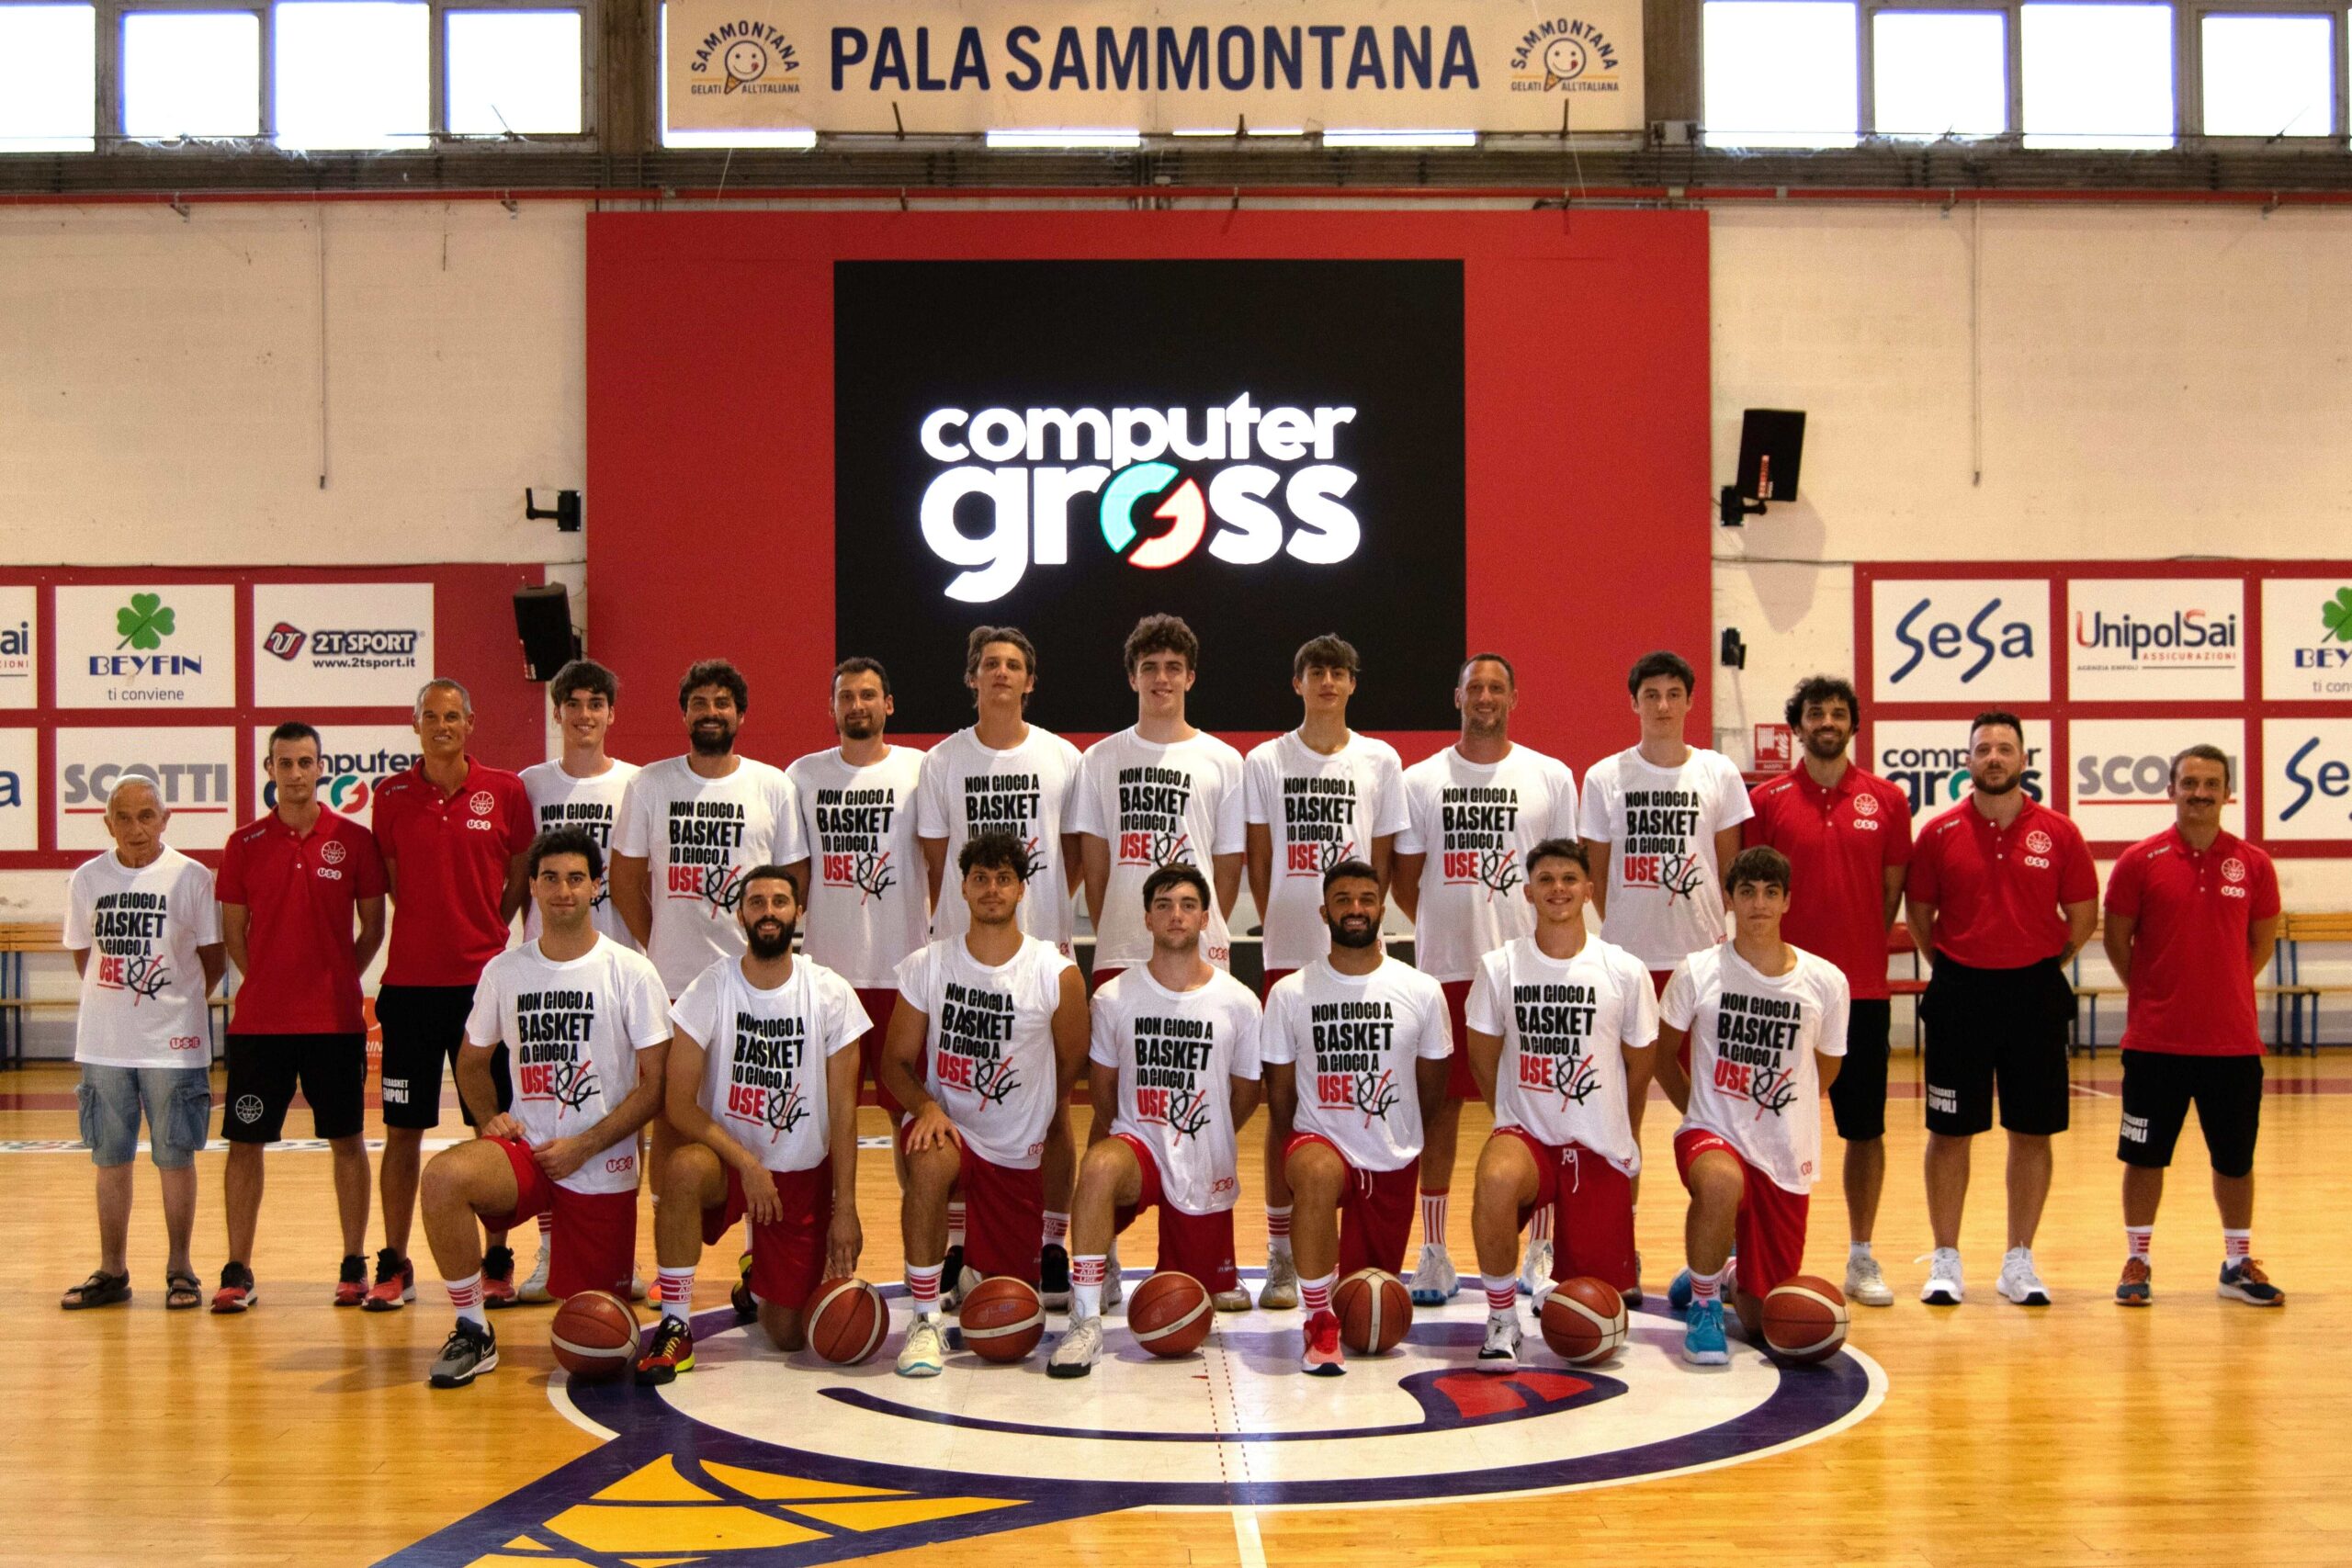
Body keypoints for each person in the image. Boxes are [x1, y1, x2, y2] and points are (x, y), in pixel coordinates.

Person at [417, 828, 672, 1387]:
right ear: (531, 886)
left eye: (576, 879)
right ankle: (472, 1329)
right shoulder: (505, 971)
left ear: (596, 887)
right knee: (441, 1179)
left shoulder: (631, 970)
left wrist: (586, 1144)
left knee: (598, 1337)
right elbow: (471, 1062)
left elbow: (656, 1087)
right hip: (526, 1154)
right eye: (551, 879)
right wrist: (489, 1118)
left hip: (599, 1162)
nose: (563, 891)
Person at [635, 866, 869, 1382]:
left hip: (799, 1173)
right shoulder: (711, 988)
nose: (768, 912)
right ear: (740, 915)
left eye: (780, 902)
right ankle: (675, 1323)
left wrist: (845, 1209)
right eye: (757, 902)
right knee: (682, 1169)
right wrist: (746, 1163)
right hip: (729, 1162)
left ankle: (758, 1275)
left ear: (798, 913)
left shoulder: (830, 993)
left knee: (787, 1335)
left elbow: (844, 1113)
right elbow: (678, 1104)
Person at [1393, 652, 1577, 1307]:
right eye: (1476, 687)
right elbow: (1406, 881)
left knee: (1539, 1107)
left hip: (1528, 971)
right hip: (1445, 970)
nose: (1486, 697)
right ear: (1458, 696)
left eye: (1497, 687)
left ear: (1514, 697)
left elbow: (1563, 874)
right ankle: (1434, 1251)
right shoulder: (1420, 780)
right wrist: (1449, 925)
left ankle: (1540, 1248)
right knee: (1438, 1112)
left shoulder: (1550, 776)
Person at [913, 627, 1084, 1305]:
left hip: (1040, 953)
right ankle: (958, 1243)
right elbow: (940, 860)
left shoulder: (1062, 757)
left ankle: (1052, 1241)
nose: (1002, 673)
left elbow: (1072, 856)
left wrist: (1033, 914)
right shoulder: (943, 760)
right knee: (957, 1101)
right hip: (965, 958)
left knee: (1054, 1108)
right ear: (973, 677)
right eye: (990, 664)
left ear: (1030, 680)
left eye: (1014, 665)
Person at [1577, 649, 1751, 1303]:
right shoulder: (1605, 776)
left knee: (1714, 1107)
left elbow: (1731, 871)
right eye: (1650, 694)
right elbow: (1596, 875)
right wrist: (1630, 935)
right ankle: (1619, 1248)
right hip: (1626, 966)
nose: (1662, 704)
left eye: (1673, 693)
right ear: (1634, 702)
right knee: (1618, 1116)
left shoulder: (1718, 772)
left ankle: (1722, 1251)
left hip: (1700, 965)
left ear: (1689, 701)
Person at [1905, 711, 2096, 1308]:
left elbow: (2083, 916)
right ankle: (1946, 1259)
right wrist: (1958, 962)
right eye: (1983, 748)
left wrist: (2037, 961)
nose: (1994, 757)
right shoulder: (1938, 833)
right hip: (1960, 993)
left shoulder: (2060, 832)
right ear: (1968, 761)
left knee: (2032, 1131)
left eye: (2004, 748)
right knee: (1949, 1132)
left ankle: (2019, 1260)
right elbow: (1920, 916)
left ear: (2023, 759)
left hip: (2034, 994)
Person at [879, 831, 1087, 1378]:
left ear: (1021, 890)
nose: (991, 889)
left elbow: (1072, 1061)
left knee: (1007, 1308)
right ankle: (924, 1318)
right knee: (927, 1158)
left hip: (1016, 1151)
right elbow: (894, 1063)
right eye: (980, 879)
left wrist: (1036, 1106)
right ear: (963, 889)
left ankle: (976, 1268)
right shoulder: (928, 965)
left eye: (1003, 879)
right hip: (951, 1129)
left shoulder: (1055, 972)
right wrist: (927, 1107)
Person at [1049, 865, 1263, 1377]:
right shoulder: (1113, 997)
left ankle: (1198, 1261)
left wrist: (1200, 1133)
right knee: (1099, 1166)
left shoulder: (1239, 1001)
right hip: (1138, 1145)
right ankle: (1086, 1317)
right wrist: (1134, 1131)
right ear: (1147, 918)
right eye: (1163, 905)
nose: (1176, 915)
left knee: (1190, 1302)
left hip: (1203, 1154)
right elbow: (1103, 1091)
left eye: (1188, 905)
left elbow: (1245, 1095)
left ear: (1206, 919)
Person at [1245, 635, 1408, 1311]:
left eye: (1339, 672)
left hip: (1359, 952)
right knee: (1282, 1107)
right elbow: (1259, 858)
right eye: (1316, 672)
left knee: (1359, 1088)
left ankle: (1360, 1233)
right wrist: (1282, 922)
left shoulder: (1380, 759)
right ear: (1299, 683)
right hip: (1289, 951)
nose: (1328, 682)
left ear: (1352, 683)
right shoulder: (1265, 760)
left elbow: (1381, 862)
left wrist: (1361, 920)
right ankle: (1281, 1252)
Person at [1741, 675, 1913, 1308]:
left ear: (1852, 724)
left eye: (1838, 713)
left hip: (1860, 992)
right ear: (1798, 725)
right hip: (1778, 993)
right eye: (1816, 713)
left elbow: (1889, 893)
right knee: (1758, 1128)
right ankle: (1747, 1256)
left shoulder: (1888, 799)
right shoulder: (1766, 799)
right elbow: (1753, 896)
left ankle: (1861, 1253)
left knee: (1863, 1130)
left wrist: (1850, 949)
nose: (1827, 722)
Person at [366, 679, 534, 1312]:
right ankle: (393, 1261)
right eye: (431, 716)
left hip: (480, 987)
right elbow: (393, 879)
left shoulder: (506, 790)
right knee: (401, 1131)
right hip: (410, 988)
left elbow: (519, 872)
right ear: (416, 725)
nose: (442, 725)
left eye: (453, 715)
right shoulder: (390, 796)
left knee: (491, 1128)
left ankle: (497, 1259)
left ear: (470, 723)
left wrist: (489, 926)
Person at [213, 723, 389, 1312]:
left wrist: (336, 976)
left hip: (334, 1025)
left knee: (347, 1140)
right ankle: (237, 1268)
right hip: (260, 1027)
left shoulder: (354, 840)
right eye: (284, 763)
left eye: (304, 762)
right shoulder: (242, 844)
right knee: (245, 1145)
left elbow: (373, 929)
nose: (294, 773)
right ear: (269, 769)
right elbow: (234, 934)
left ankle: (353, 1262)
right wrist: (268, 978)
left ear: (321, 768)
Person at [2101, 745, 2283, 1308]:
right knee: (2144, 1158)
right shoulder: (2140, 860)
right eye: (2190, 783)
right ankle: (2138, 1259)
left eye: (2211, 784)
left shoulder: (2253, 864)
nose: (2200, 793)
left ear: (2228, 792)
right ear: (2171, 789)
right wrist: (2156, 993)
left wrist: (2221, 989)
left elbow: (2260, 944)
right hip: (2155, 1043)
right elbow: (2117, 940)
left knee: (2235, 1160)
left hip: (2232, 1044)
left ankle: (2236, 1263)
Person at [1463, 840, 1656, 1371]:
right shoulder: (1501, 965)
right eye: (1545, 880)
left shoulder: (1624, 969)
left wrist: (1617, 1130)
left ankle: (1555, 1285)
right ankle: (1502, 1319)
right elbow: (1482, 1057)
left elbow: (1639, 1067)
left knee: (1596, 1318)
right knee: (1496, 1177)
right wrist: (1513, 1116)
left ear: (1589, 890)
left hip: (1595, 1145)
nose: (1558, 889)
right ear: (1527, 892)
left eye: (1569, 879)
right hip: (1527, 1137)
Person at [1654, 847, 1849, 1367]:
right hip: (1711, 1133)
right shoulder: (1698, 971)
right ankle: (1703, 1307)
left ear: (1787, 901)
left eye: (1770, 892)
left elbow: (1825, 1070)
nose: (1758, 903)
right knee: (1720, 1182)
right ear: (1730, 900)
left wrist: (1780, 1105)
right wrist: (1697, 1110)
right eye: (1747, 892)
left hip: (1784, 1150)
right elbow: (1661, 1055)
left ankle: (1722, 1272)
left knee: (1766, 1320)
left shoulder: (1826, 981)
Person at [1260, 861, 1451, 1374]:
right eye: (1342, 899)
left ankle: (1337, 1311)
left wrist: (1400, 1128)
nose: (1355, 909)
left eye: (1366, 899)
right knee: (1316, 1173)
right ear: (1324, 912)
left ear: (1381, 910)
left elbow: (1432, 1091)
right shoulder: (1291, 993)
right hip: (1320, 1142)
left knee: (1368, 1306)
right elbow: (1280, 1098)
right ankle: (1317, 1322)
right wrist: (1297, 1151)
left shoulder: (1422, 990)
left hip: (1390, 1157)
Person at [59, 774, 225, 1314]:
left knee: (175, 1156)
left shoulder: (192, 878)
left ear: (165, 819)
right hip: (104, 1045)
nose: (136, 828)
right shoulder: (87, 878)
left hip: (174, 1046)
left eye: (147, 816)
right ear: (108, 823)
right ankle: (112, 1270)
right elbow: (84, 956)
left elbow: (213, 959)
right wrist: (121, 1007)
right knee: (110, 1159)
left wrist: (170, 1005)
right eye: (124, 818)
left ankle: (181, 1268)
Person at [517, 658, 641, 1302]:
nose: (585, 714)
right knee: (547, 1111)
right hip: (544, 969)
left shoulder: (637, 783)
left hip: (615, 964)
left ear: (611, 713)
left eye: (596, 703)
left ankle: (625, 1253)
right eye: (574, 703)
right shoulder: (530, 784)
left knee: (624, 1110)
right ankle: (549, 1249)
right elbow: (516, 877)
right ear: (557, 712)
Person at [785, 658, 928, 1155]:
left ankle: (921, 1207)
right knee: (825, 1112)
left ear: (888, 704)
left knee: (907, 1113)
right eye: (845, 696)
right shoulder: (803, 775)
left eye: (867, 695)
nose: (857, 705)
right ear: (831, 708)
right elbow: (796, 875)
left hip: (902, 972)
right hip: (827, 973)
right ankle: (831, 1205)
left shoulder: (919, 769)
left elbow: (938, 862)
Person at [611, 659, 805, 998]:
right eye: (699, 703)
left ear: (740, 715)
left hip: (750, 978)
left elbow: (796, 878)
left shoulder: (774, 786)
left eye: (722, 703)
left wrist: (768, 945)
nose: (710, 712)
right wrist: (660, 942)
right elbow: (624, 882)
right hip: (672, 981)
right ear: (685, 715)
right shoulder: (648, 784)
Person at [1071, 615, 1247, 986]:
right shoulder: (1099, 759)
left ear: (1190, 677)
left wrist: (1196, 929)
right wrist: (1117, 931)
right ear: (1133, 678)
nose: (1161, 678)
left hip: (1199, 951)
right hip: (1121, 948)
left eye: (1173, 667)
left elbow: (1228, 869)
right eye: (1149, 667)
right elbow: (1095, 869)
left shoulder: (1225, 760)